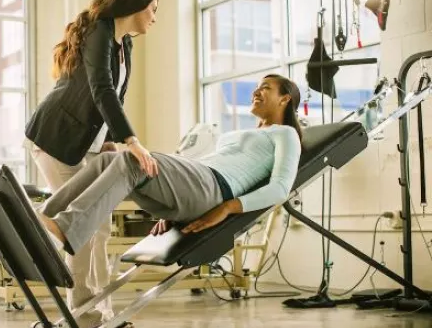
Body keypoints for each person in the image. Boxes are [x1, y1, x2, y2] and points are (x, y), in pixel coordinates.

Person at [37, 74, 303, 260]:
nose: (256, 91)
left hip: (213, 190)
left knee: (133, 160)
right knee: (109, 159)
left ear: (285, 99)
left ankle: (65, 229)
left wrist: (227, 208)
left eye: (266, 87)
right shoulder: (244, 133)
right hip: (194, 188)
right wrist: (172, 190)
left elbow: (280, 188)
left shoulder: (286, 134)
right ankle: (42, 218)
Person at [24, 0, 159, 328]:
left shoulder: (124, 42)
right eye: (153, 9)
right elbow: (102, 90)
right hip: (57, 138)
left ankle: (101, 314)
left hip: (89, 143)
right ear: (136, 4)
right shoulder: (100, 31)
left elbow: (115, 95)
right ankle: (86, 317)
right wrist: (133, 141)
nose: (154, 18)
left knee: (99, 228)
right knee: (82, 227)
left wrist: (110, 140)